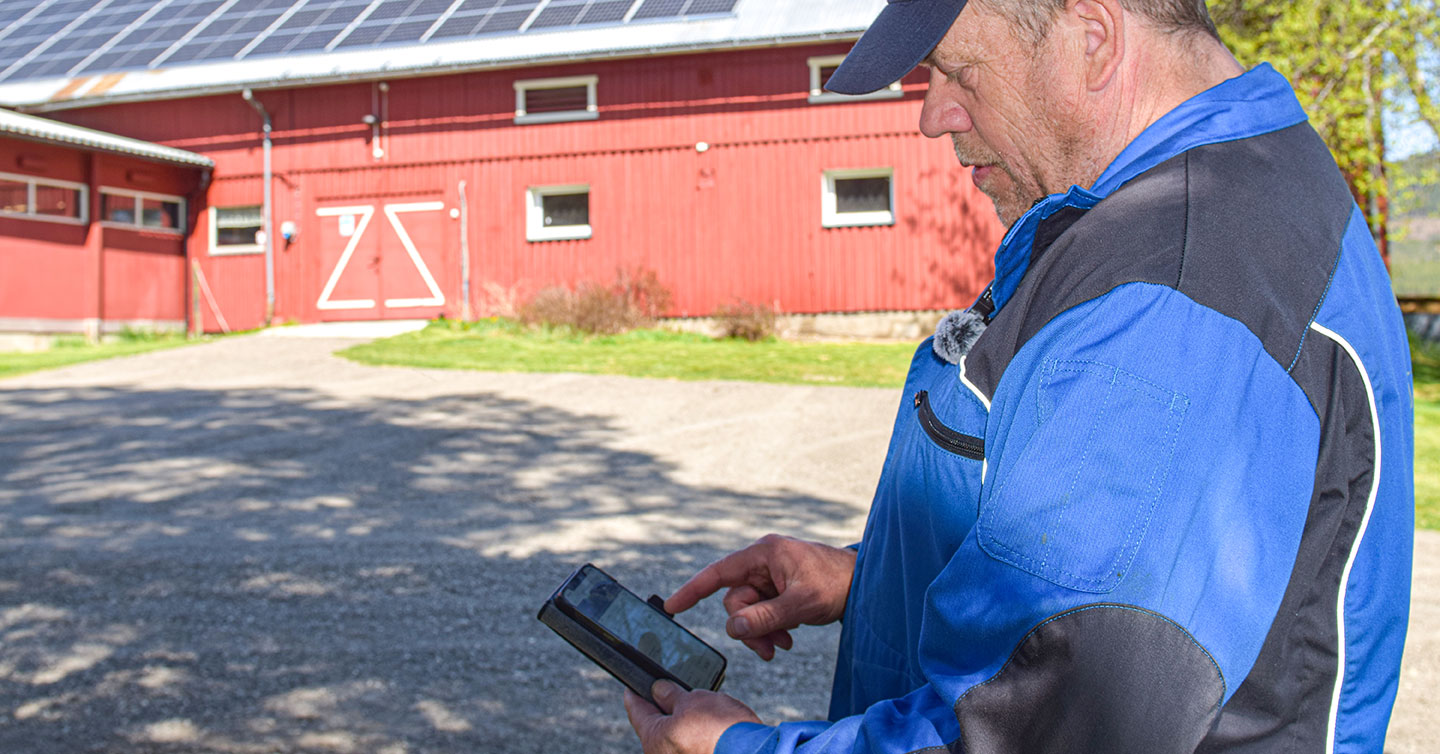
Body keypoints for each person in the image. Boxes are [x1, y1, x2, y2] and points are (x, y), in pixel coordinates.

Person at [624, 0, 1416, 751]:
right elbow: (1093, 557)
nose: (935, 114)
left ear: (1094, 39)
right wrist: (873, 581)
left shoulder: (1176, 293)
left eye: (958, 72)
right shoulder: (1213, 198)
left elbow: (1054, 719)